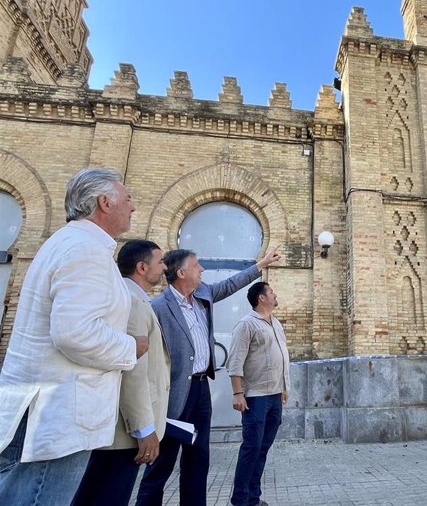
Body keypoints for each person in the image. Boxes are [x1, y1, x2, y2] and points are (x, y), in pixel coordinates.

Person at [0, 168, 148, 506]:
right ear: (104, 203)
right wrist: (131, 346)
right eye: (127, 199)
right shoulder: (85, 250)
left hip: (44, 407)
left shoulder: (71, 243)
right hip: (58, 415)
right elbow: (74, 333)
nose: (134, 207)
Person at [135, 247, 281, 506]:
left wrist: (261, 265)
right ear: (181, 273)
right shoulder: (157, 308)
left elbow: (229, 284)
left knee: (198, 458)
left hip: (201, 391)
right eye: (196, 265)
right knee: (162, 463)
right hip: (174, 393)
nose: (202, 269)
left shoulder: (203, 294)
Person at [72, 240, 170, 506]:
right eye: (160, 262)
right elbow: (132, 371)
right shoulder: (133, 303)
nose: (164, 268)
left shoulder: (131, 298)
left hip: (123, 430)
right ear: (141, 267)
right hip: (125, 433)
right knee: (110, 494)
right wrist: (144, 429)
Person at [228, 282, 290, 506]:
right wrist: (238, 393)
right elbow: (235, 360)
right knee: (251, 448)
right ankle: (240, 500)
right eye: (271, 292)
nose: (275, 294)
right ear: (261, 298)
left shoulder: (275, 323)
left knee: (262, 449)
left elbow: (281, 357)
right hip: (255, 397)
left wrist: (284, 387)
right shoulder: (247, 324)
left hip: (274, 396)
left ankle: (253, 498)